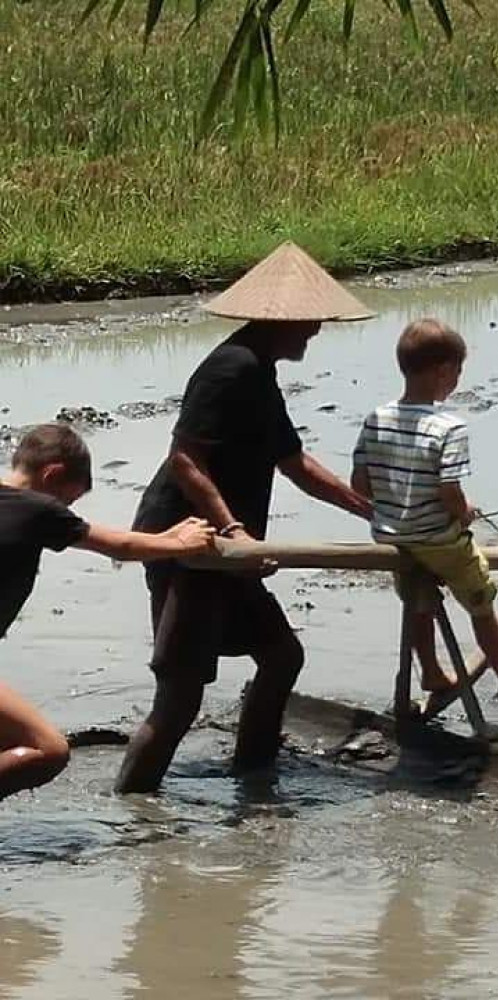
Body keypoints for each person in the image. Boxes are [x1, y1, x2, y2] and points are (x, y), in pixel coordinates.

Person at [117, 242, 373, 794]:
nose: (315, 332)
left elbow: (293, 462)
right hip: (190, 547)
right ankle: (134, 809)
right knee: (181, 696)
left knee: (282, 656)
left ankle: (254, 772)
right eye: (310, 322)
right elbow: (184, 458)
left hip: (232, 551)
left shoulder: (260, 371)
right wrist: (231, 530)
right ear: (284, 319)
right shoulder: (229, 368)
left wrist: (367, 509)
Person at [0, 423, 215, 802]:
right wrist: (181, 543)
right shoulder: (38, 510)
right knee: (48, 749)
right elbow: (119, 545)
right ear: (52, 474)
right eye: (68, 502)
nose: (66, 513)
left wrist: (168, 538)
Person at [351, 317, 498, 702]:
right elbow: (449, 490)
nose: (458, 379)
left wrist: (397, 502)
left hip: (392, 540)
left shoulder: (376, 418)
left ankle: (433, 673)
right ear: (443, 371)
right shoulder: (448, 427)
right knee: (481, 603)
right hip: (439, 540)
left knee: (418, 605)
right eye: (458, 370)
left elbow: (360, 484)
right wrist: (464, 512)